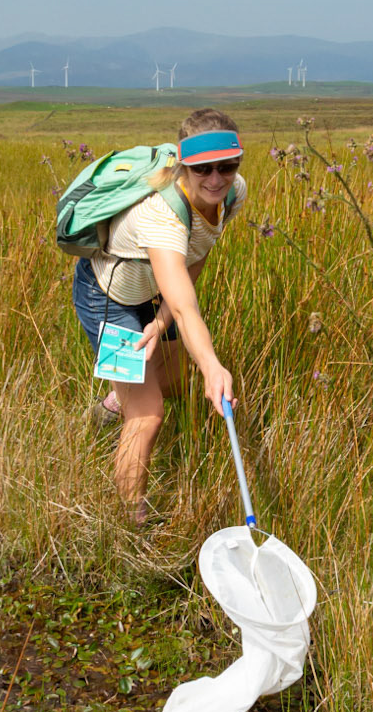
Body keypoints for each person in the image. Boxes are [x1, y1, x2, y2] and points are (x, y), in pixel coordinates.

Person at [71, 108, 246, 521]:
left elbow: (195, 257)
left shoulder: (233, 193)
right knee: (148, 414)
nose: (216, 179)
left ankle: (111, 402)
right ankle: (132, 522)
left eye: (227, 166)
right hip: (107, 297)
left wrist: (160, 321)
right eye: (203, 169)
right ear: (185, 166)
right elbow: (187, 308)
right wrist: (212, 365)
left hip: (154, 290)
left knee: (171, 381)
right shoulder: (162, 216)